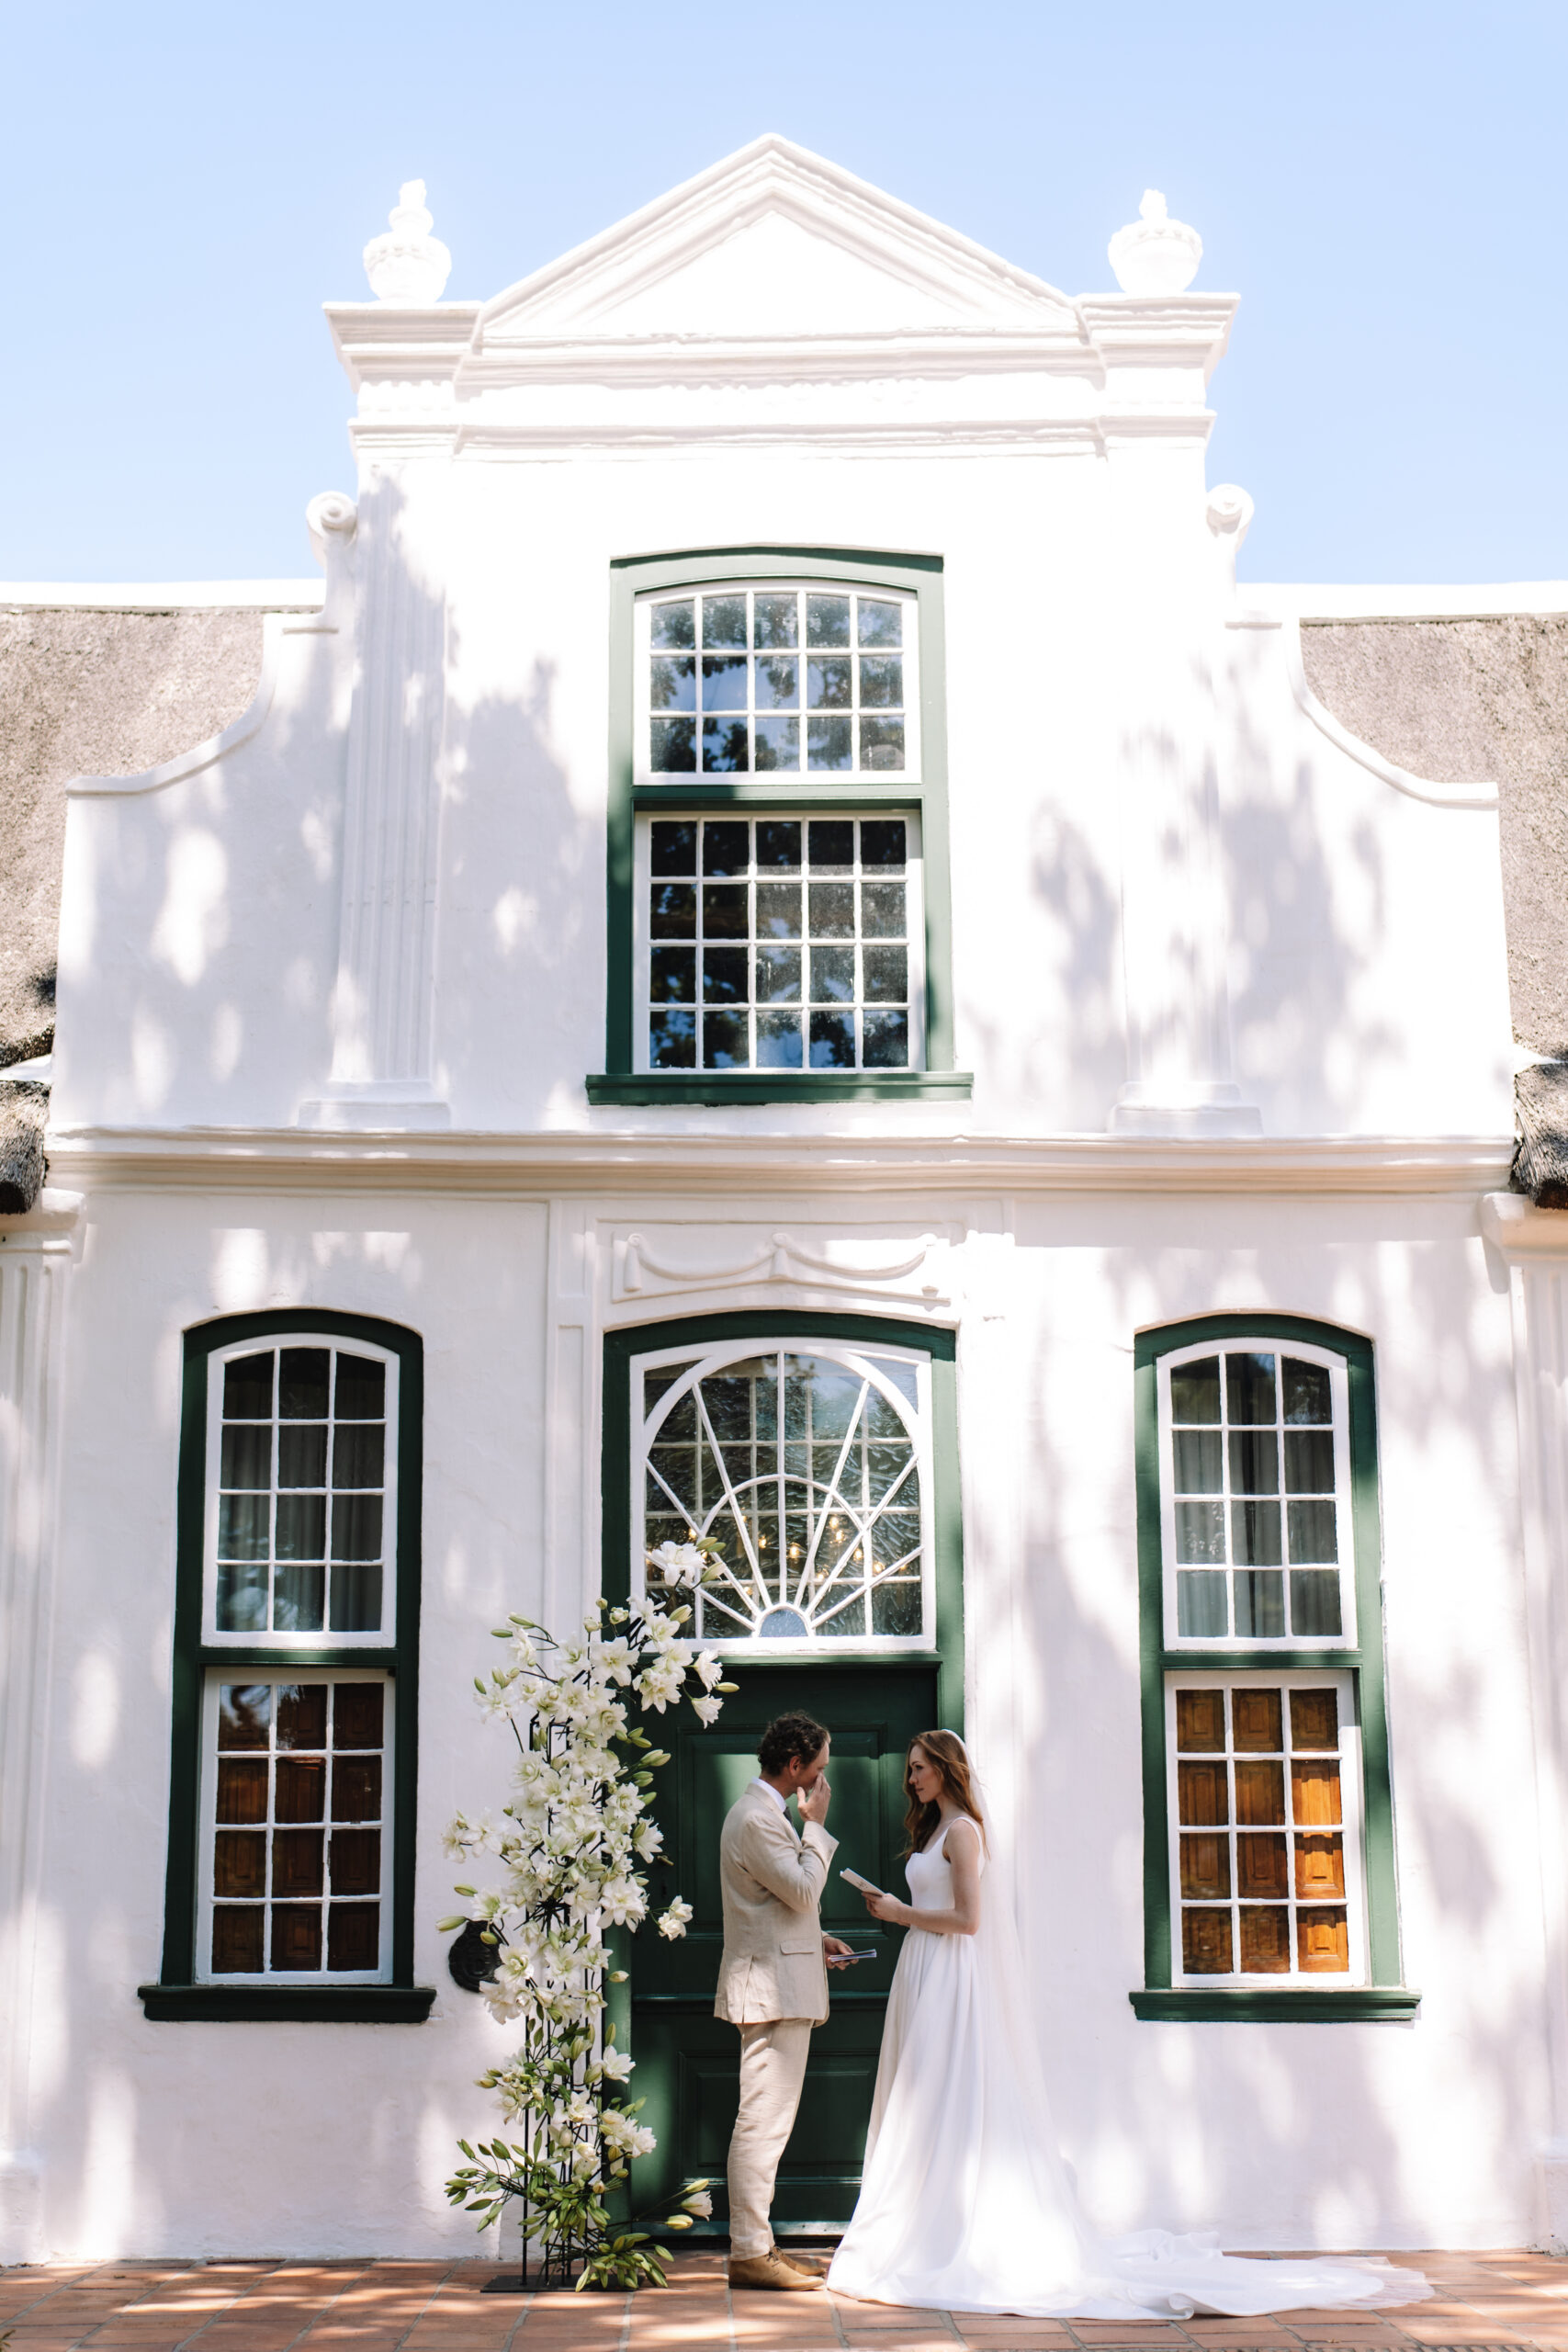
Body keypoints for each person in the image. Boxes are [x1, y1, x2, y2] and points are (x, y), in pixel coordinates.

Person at [827, 1729, 1432, 2321]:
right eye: (908, 1769)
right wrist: (899, 1912)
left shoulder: (962, 1833)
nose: (910, 1779)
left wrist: (899, 1912)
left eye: (918, 1768)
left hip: (950, 1974)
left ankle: (941, 2234)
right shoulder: (936, 1830)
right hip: (926, 1970)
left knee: (945, 2094)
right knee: (923, 2098)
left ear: (946, 1768)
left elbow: (969, 1920)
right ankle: (920, 2221)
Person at [715, 1711, 856, 2292]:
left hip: (779, 1981)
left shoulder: (762, 1817)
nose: (822, 1782)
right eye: (818, 1770)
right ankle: (749, 2251)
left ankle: (758, 2244)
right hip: (771, 1996)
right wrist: (817, 1827)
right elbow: (801, 1887)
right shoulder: (757, 1819)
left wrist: (812, 1940)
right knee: (762, 2125)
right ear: (795, 1767)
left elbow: (771, 1904)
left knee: (767, 2122)